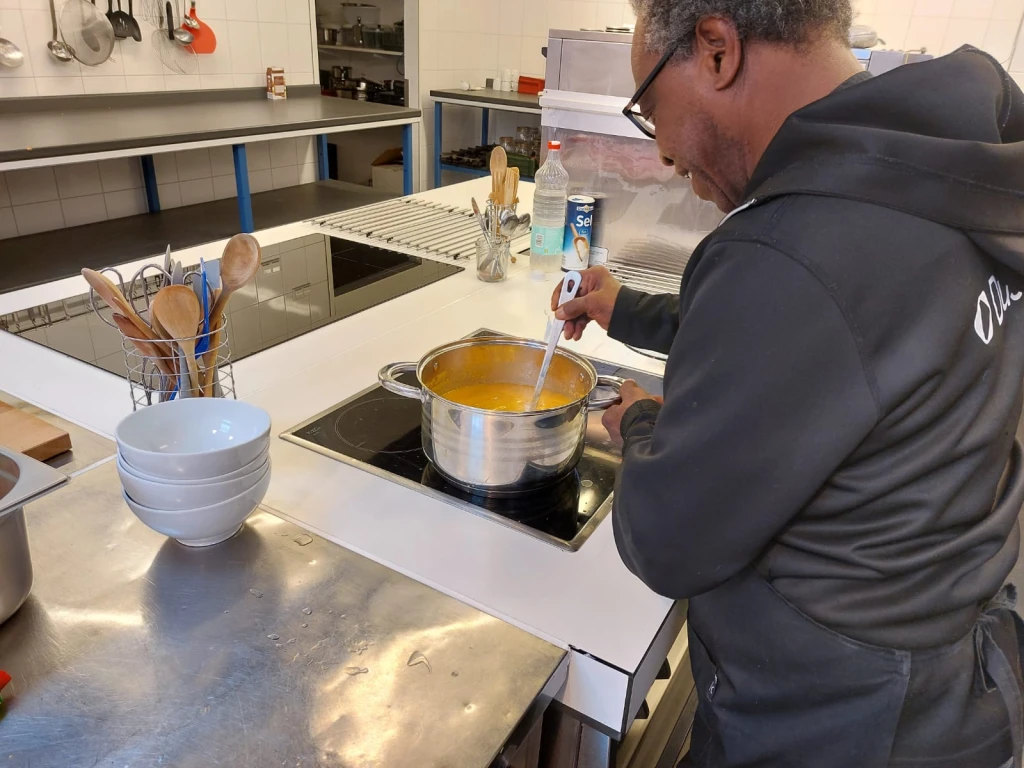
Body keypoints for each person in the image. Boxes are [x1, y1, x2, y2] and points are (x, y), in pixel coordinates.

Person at [553, 1, 1024, 766]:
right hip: (953, 681)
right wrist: (625, 308)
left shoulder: (795, 247)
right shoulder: (939, 168)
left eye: (650, 104)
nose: (664, 150)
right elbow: (830, 342)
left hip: (829, 720)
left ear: (716, 50)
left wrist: (640, 423)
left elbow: (666, 541)